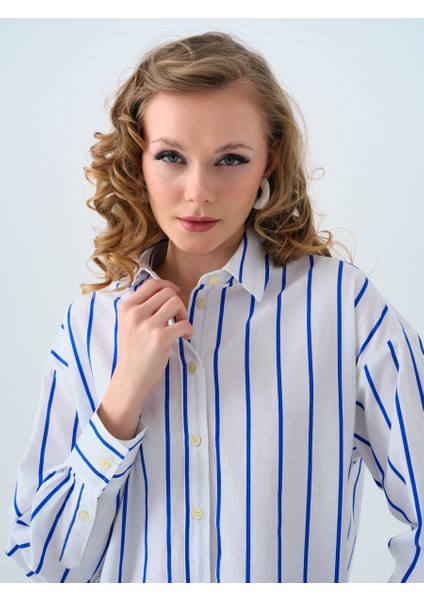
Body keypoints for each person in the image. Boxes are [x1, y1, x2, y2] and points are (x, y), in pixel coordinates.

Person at [6, 31, 424, 583]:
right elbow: (42, 566)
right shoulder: (88, 327)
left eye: (230, 159)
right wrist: (122, 399)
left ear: (269, 161)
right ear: (138, 159)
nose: (198, 191)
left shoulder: (346, 310)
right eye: (171, 156)